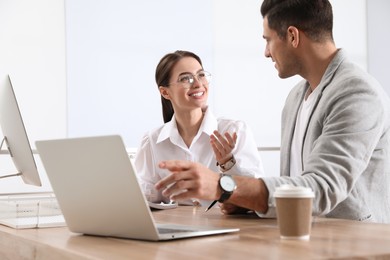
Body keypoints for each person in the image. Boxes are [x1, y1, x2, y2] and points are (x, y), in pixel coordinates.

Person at [154, 0, 390, 223]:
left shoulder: (357, 94)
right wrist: (243, 201)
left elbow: (322, 188)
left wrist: (222, 186)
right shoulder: (296, 97)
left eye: (268, 40)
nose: (266, 52)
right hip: (300, 238)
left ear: (292, 36)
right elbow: (294, 186)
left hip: (353, 245)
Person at [134, 50, 264, 206]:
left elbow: (257, 195)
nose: (198, 83)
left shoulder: (234, 131)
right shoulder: (152, 141)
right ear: (165, 92)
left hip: (226, 227)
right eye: (185, 78)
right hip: (177, 227)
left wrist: (228, 163)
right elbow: (146, 199)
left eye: (201, 75)